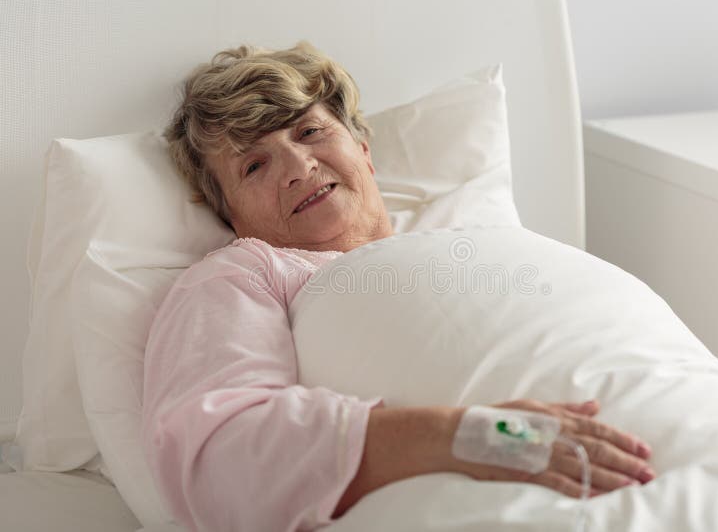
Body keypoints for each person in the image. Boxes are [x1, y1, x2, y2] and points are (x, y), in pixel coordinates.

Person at [143, 41, 655, 532]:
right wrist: (476, 437)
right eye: (254, 165)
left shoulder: (475, 240)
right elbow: (219, 460)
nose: (300, 168)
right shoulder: (243, 274)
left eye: (309, 133)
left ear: (363, 150)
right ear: (230, 215)